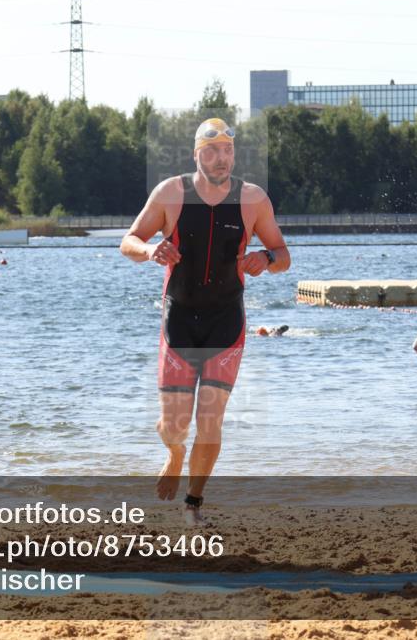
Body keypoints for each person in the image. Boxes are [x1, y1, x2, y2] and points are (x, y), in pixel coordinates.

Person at [120, 118, 290, 523]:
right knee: (173, 426)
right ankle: (175, 453)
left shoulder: (253, 199)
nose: (221, 159)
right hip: (179, 318)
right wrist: (151, 251)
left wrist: (265, 258)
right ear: (196, 154)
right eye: (212, 151)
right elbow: (129, 241)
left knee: (210, 420)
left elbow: (283, 254)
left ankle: (193, 504)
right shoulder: (171, 193)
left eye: (228, 151)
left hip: (226, 321)